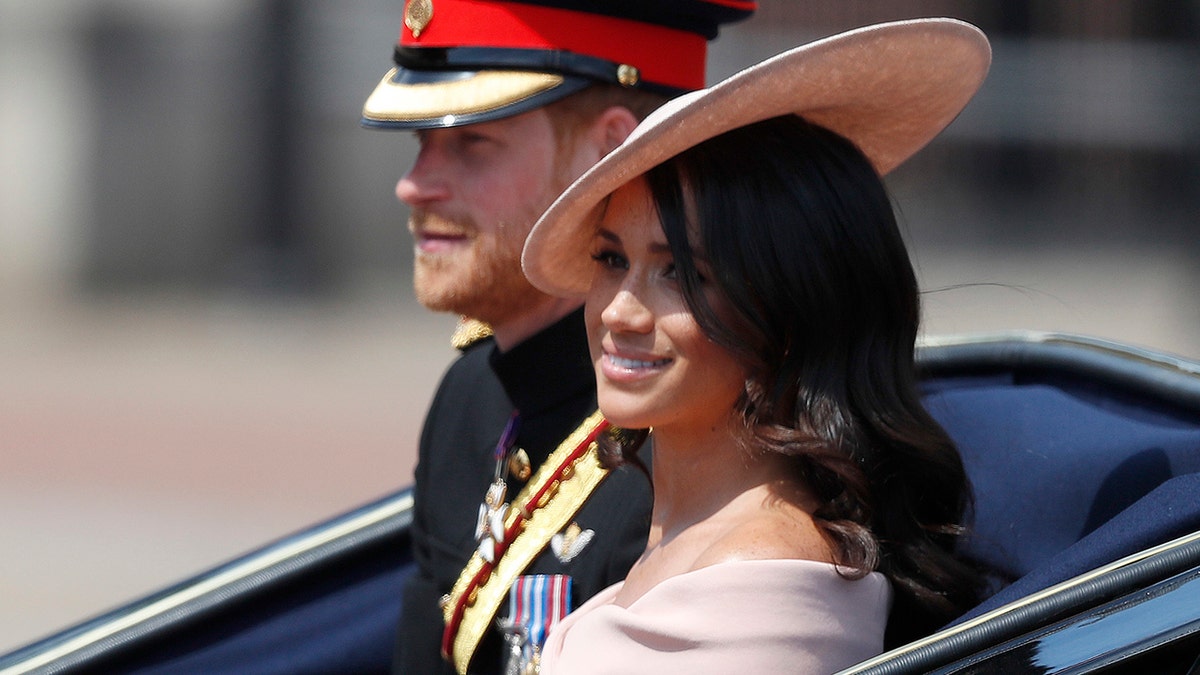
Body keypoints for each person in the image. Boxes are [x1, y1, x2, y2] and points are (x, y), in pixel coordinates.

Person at [521, 18, 992, 673]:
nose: (620, 310)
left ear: (791, 307)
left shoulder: (759, 578)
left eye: (682, 272)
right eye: (609, 257)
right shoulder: (687, 534)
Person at [359, 1, 755, 673]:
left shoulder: (703, 438)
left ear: (611, 151)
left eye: (471, 141)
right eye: (421, 142)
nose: (412, 185)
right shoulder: (472, 392)